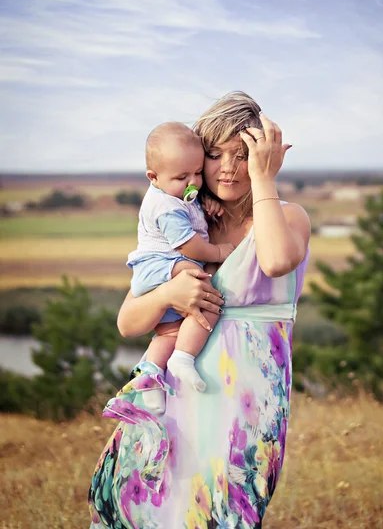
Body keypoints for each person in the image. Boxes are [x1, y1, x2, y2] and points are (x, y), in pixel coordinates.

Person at [88, 91, 311, 529]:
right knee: (155, 509)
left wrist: (265, 181)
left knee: (222, 513)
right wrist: (170, 297)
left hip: (244, 402)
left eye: (243, 154)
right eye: (214, 154)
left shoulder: (289, 216)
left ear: (264, 159)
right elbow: (129, 322)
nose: (228, 166)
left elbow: (276, 260)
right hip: (175, 394)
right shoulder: (189, 227)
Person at [127, 121, 234, 414]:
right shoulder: (166, 206)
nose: (193, 183)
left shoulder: (176, 194)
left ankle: (149, 373)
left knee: (169, 332)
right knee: (207, 294)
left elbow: (193, 207)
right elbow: (187, 243)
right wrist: (217, 251)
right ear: (153, 177)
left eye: (198, 173)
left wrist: (206, 204)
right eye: (182, 176)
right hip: (161, 265)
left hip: (161, 268)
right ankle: (183, 358)